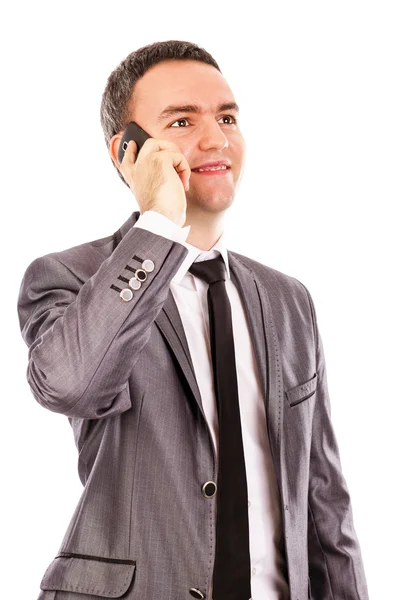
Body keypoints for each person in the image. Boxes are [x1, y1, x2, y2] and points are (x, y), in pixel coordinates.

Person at [17, 40, 369, 600]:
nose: (215, 139)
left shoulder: (289, 300)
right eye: (182, 121)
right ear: (127, 151)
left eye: (227, 117)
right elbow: (69, 384)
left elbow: (324, 500)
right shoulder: (72, 277)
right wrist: (157, 224)